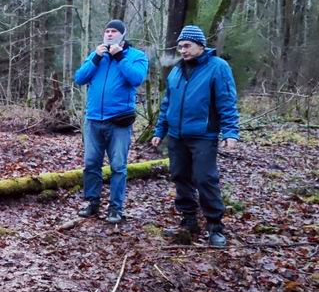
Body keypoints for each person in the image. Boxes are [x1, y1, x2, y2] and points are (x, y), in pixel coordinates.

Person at [151, 25, 240, 248]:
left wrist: (230, 132)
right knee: (180, 176)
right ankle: (189, 219)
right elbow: (167, 104)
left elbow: (227, 101)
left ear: (201, 45)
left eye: (187, 45)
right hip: (176, 136)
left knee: (204, 178)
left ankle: (215, 226)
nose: (183, 50)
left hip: (203, 135)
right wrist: (160, 131)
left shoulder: (217, 67)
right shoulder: (176, 71)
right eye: (180, 46)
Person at [74, 19, 149, 223]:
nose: (109, 34)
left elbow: (136, 79)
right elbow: (79, 78)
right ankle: (92, 202)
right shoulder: (97, 54)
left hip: (119, 121)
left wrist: (119, 56)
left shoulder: (136, 56)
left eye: (114, 31)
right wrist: (96, 58)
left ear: (122, 35)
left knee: (118, 166)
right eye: (107, 31)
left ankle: (116, 208)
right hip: (93, 119)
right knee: (91, 164)